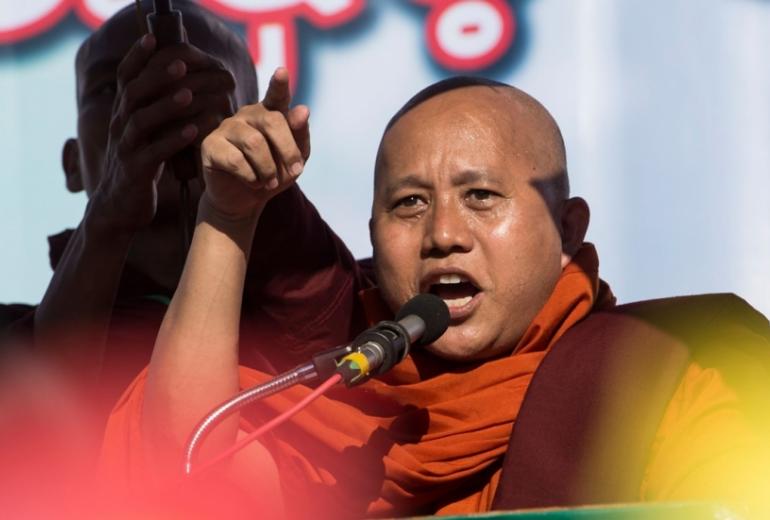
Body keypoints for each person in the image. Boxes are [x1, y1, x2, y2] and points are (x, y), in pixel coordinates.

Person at [100, 77, 770, 518]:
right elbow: (188, 467)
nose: (444, 235)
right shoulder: (336, 405)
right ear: (371, 237)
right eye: (409, 204)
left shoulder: (657, 385)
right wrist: (229, 215)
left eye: (481, 197)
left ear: (568, 231)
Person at [0, 0, 366, 419]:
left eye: (199, 81)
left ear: (255, 120)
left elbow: (345, 340)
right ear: (71, 163)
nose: (156, 102)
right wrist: (109, 216)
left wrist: (256, 182)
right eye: (108, 90)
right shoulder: (12, 337)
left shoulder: (335, 291)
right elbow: (29, 427)